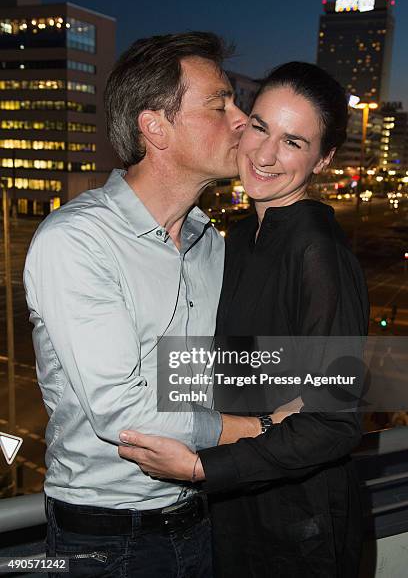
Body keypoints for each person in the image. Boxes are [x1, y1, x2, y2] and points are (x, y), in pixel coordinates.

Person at [24, 32, 299, 578]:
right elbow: (123, 415)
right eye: (219, 105)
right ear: (155, 127)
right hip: (102, 539)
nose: (241, 120)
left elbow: (221, 369)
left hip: (200, 517)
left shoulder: (211, 244)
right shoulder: (78, 240)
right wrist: (261, 429)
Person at [118, 62, 370, 578]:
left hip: (299, 525)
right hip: (234, 511)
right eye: (260, 127)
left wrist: (199, 466)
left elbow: (335, 420)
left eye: (294, 142)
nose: (265, 153)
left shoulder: (317, 253)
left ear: (322, 161)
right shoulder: (238, 235)